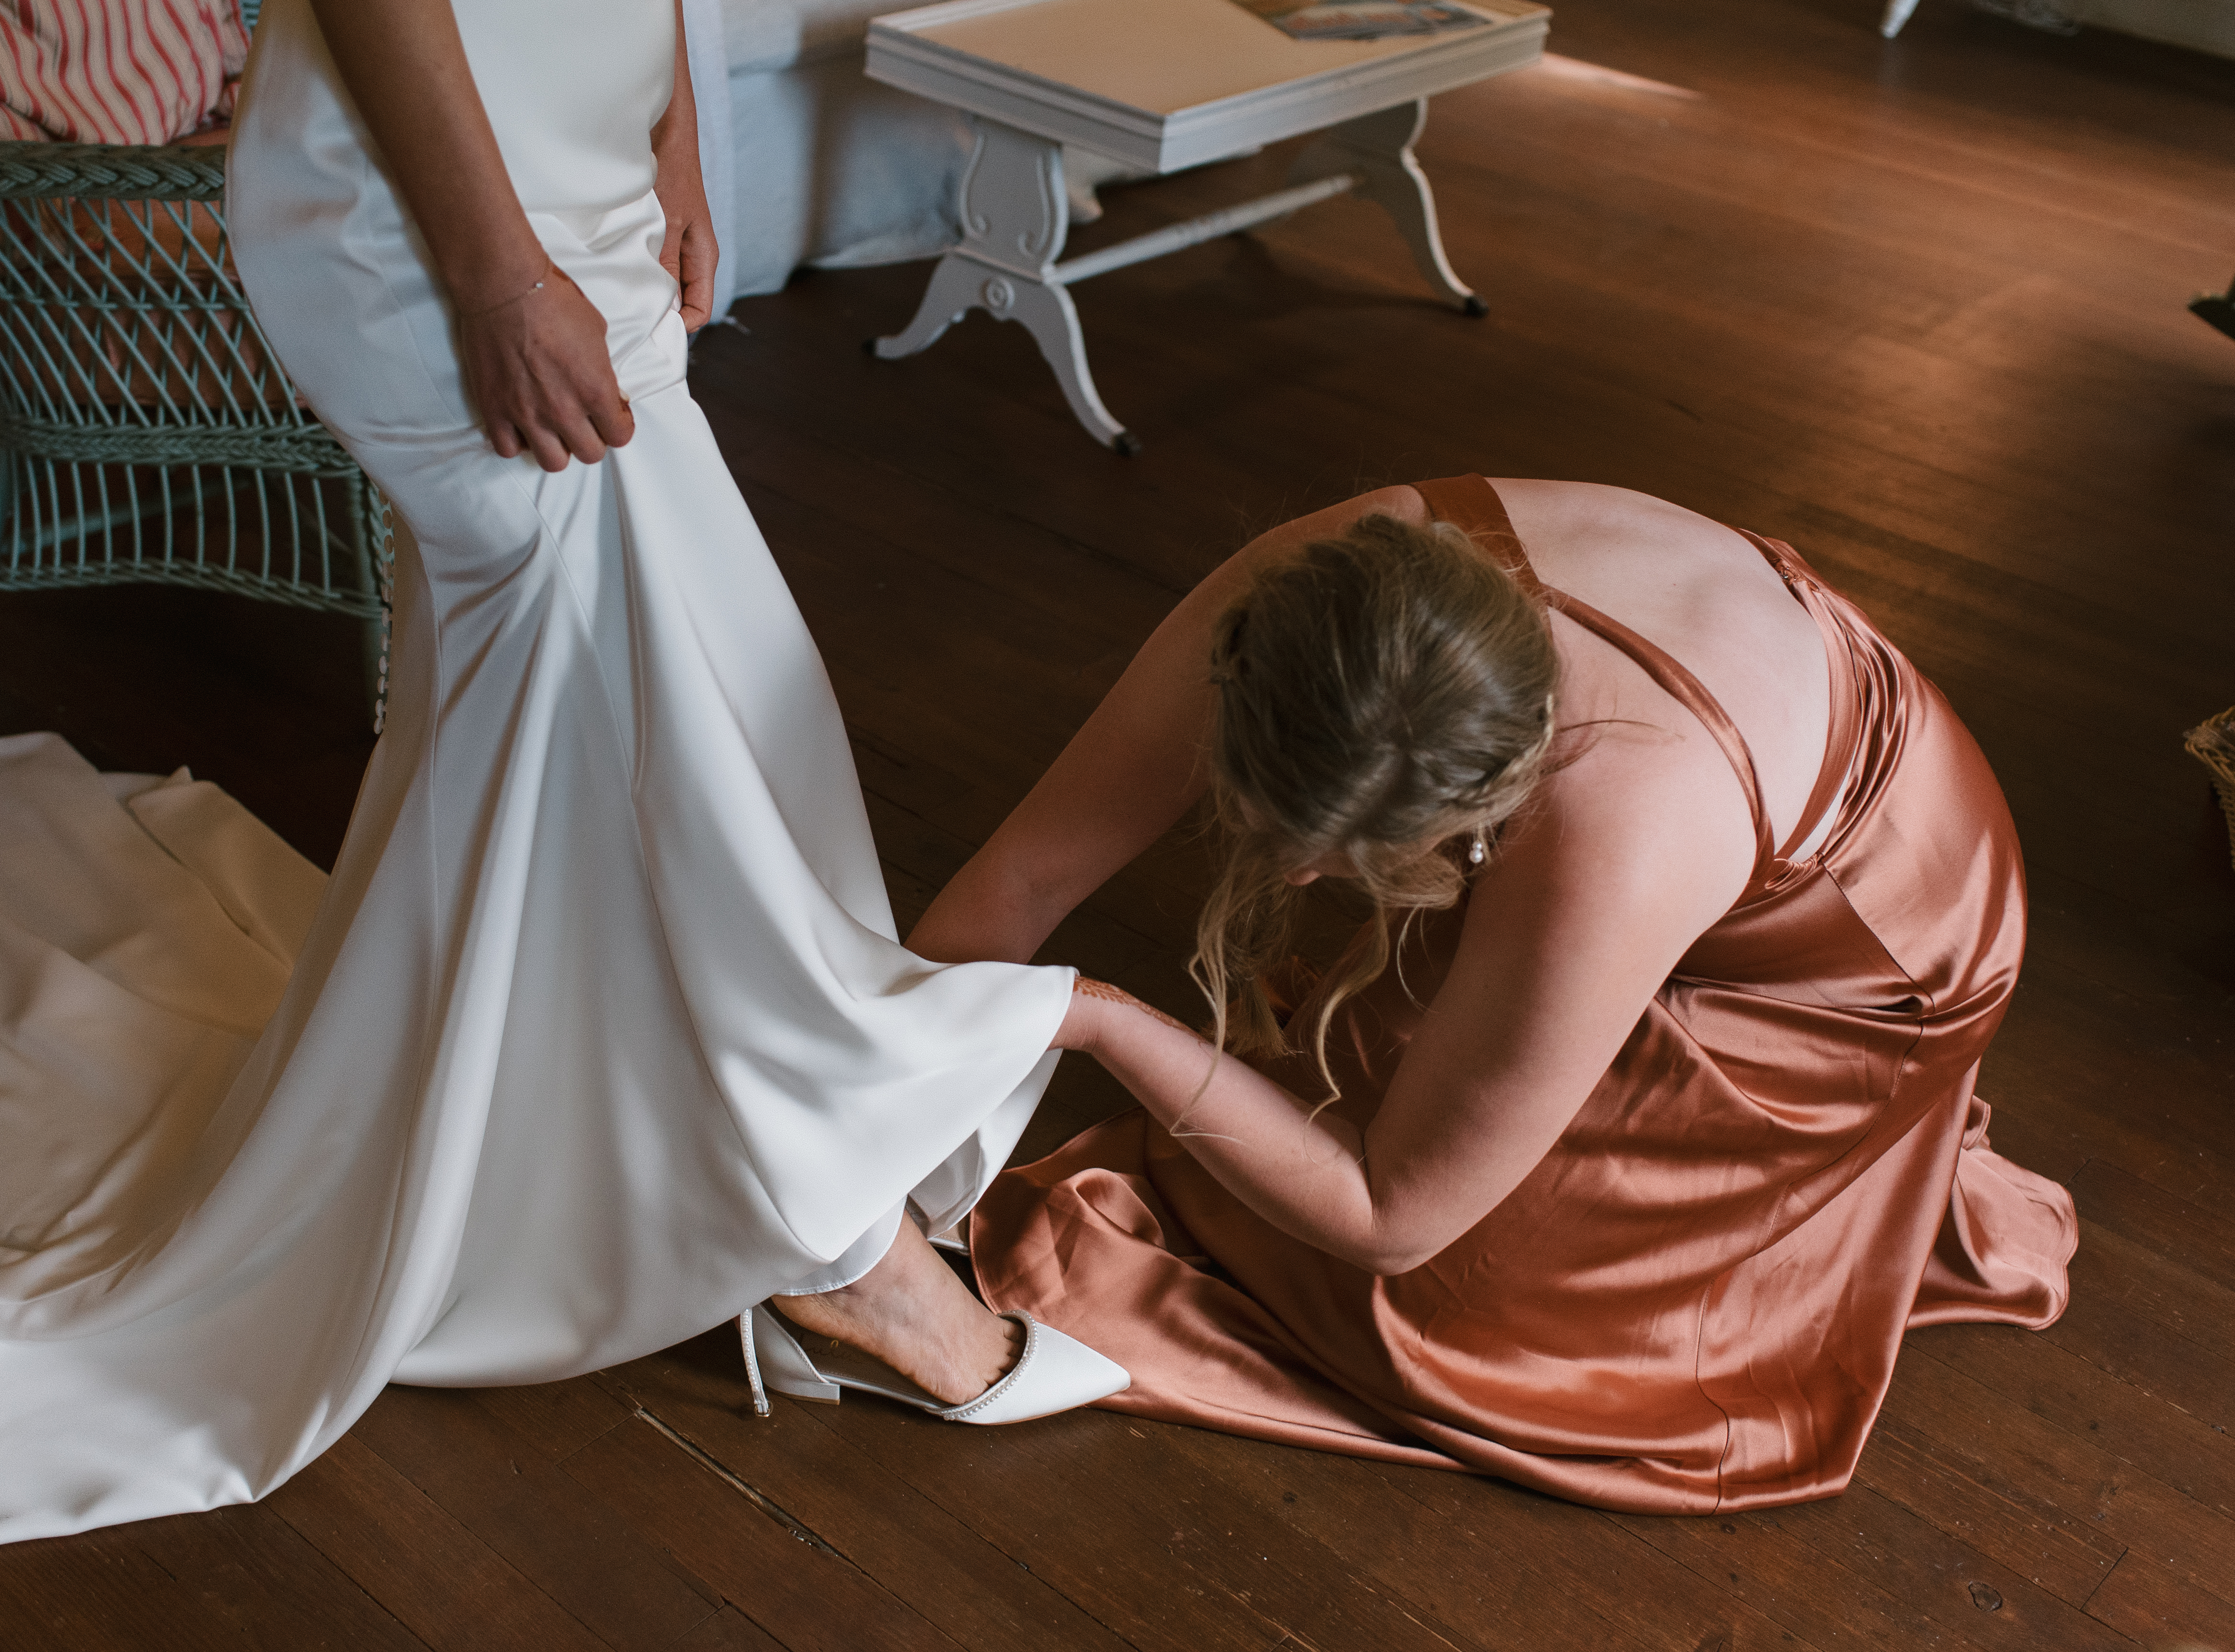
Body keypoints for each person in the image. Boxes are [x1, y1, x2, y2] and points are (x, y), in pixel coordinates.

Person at [0, 0, 1116, 1587]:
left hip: (582, 157)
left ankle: (715, 1177)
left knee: (653, 710)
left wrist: (676, 125)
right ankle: (836, 1250)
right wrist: (494, 272)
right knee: (646, 714)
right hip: (436, 198)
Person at [858, 474, 2078, 1513]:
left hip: (1864, 959)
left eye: (1329, 857)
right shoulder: (1315, 597)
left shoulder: (1621, 826)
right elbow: (1025, 870)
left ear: (1491, 802)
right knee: (1385, 1100)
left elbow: (1392, 1213)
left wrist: (1098, 1016)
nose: (1288, 873)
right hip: (1701, 789)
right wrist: (855, 1138)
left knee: (1450, 1317)